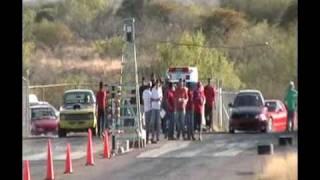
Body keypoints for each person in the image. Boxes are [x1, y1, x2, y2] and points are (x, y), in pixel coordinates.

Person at [150, 79, 163, 143]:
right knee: (153, 123)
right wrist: (156, 99)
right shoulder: (153, 89)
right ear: (155, 84)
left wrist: (157, 99)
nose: (157, 84)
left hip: (158, 107)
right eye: (156, 83)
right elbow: (151, 98)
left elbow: (160, 98)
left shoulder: (160, 89)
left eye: (158, 83)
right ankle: (153, 137)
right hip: (153, 107)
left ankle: (158, 137)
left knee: (158, 123)